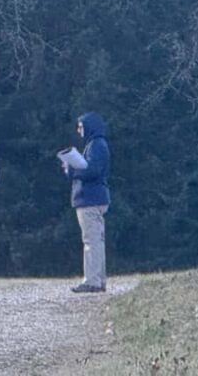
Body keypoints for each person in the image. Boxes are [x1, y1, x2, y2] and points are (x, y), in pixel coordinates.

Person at [66, 112, 111, 293]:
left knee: (91, 241)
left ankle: (92, 281)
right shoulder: (97, 145)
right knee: (96, 241)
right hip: (95, 198)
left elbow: (92, 171)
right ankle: (98, 280)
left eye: (81, 127)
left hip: (89, 199)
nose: (79, 131)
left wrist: (72, 168)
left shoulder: (96, 146)